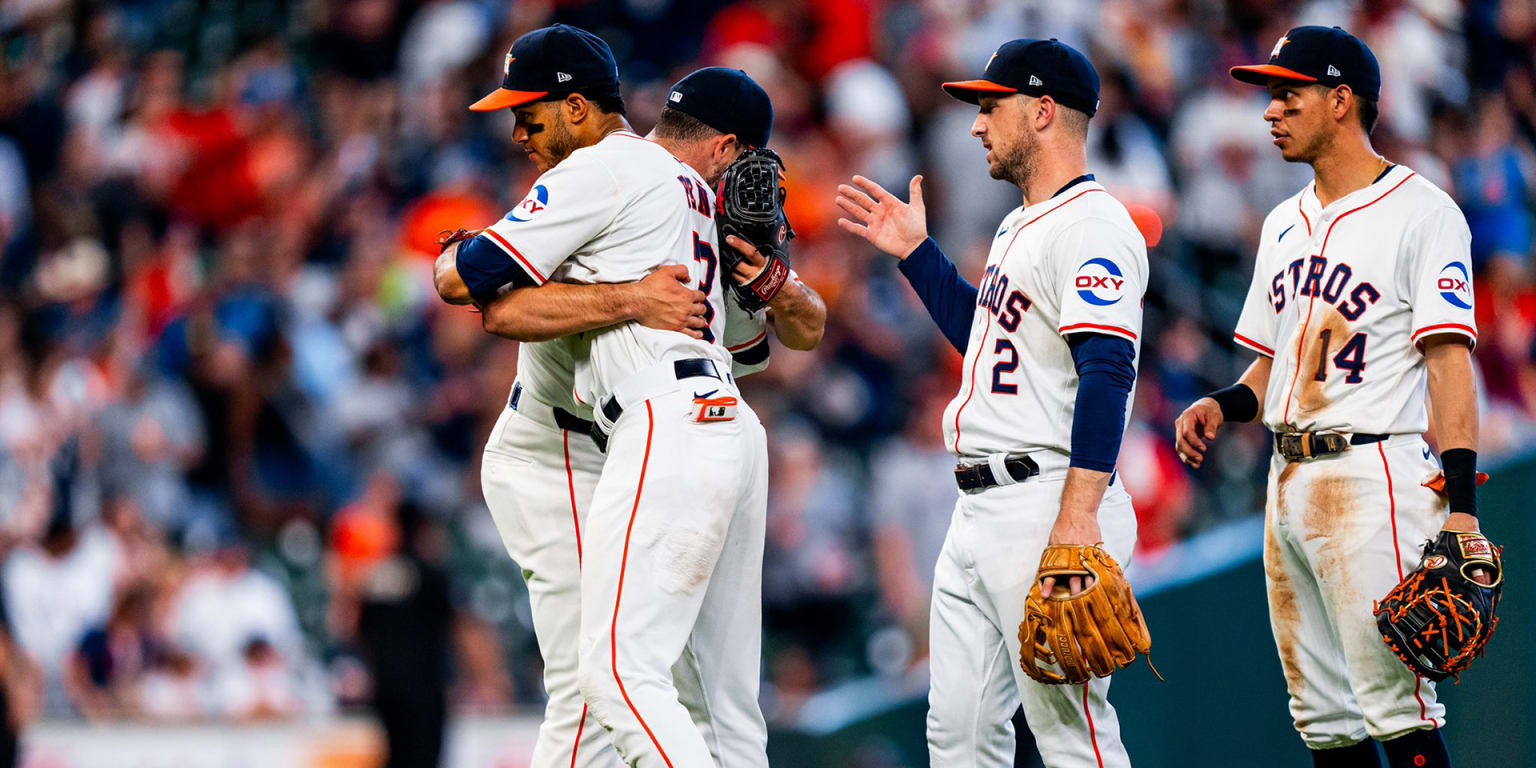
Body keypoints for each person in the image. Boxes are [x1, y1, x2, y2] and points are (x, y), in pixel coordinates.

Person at [434, 27, 821, 767]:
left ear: (578, 106)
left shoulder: (613, 170)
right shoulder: (689, 201)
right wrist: (635, 297)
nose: (517, 133)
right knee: (706, 701)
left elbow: (462, 283)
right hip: (686, 431)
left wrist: (460, 250)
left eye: (530, 114)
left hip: (638, 433)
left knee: (612, 681)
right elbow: (761, 346)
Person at [1173, 26, 1485, 768]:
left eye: (1289, 93)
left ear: (1341, 99)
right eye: (1269, 95)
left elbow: (1448, 365)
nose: (1270, 110)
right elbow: (1271, 373)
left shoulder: (1424, 212)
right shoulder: (1283, 223)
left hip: (1372, 474)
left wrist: (1465, 508)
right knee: (1322, 721)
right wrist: (1224, 402)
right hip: (1288, 484)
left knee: (1397, 707)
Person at [836, 39, 1147, 768]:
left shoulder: (1093, 225)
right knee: (961, 737)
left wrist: (1077, 519)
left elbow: (1108, 370)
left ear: (1042, 112)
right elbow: (987, 340)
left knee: (1072, 735)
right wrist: (919, 255)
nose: (976, 126)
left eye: (990, 107)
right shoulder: (1020, 222)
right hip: (980, 508)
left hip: (1047, 503)